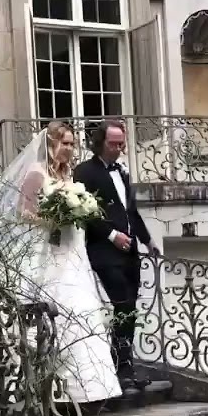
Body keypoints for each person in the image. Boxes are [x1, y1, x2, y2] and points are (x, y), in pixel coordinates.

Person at [0, 120, 124, 416]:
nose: (69, 149)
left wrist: (81, 211)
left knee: (84, 312)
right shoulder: (36, 172)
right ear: (51, 143)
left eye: (72, 144)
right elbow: (23, 211)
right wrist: (54, 219)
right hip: (49, 257)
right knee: (55, 315)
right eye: (65, 143)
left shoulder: (69, 175)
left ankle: (90, 391)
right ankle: (51, 390)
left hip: (73, 257)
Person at [72, 118, 157, 401]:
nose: (119, 149)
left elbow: (132, 212)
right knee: (122, 303)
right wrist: (111, 235)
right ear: (99, 142)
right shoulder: (84, 171)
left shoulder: (122, 171)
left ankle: (124, 365)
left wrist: (148, 240)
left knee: (130, 309)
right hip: (104, 251)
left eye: (122, 144)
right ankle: (121, 369)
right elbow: (84, 213)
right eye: (113, 144)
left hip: (131, 251)